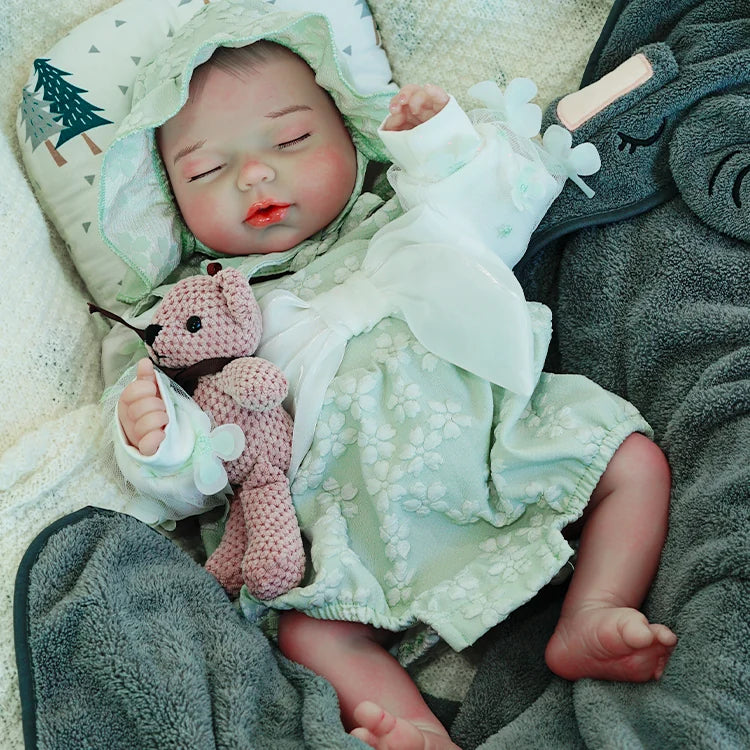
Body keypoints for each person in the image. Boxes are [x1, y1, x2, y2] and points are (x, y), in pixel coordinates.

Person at [102, 6, 676, 748]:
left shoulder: (403, 213)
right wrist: (153, 439)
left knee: (632, 460)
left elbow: (503, 214)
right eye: (208, 169)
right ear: (172, 206)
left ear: (350, 131)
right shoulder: (194, 312)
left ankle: (593, 609)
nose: (256, 173)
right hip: (347, 513)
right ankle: (413, 731)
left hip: (493, 442)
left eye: (292, 138)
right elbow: (201, 470)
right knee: (309, 630)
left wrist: (437, 148)